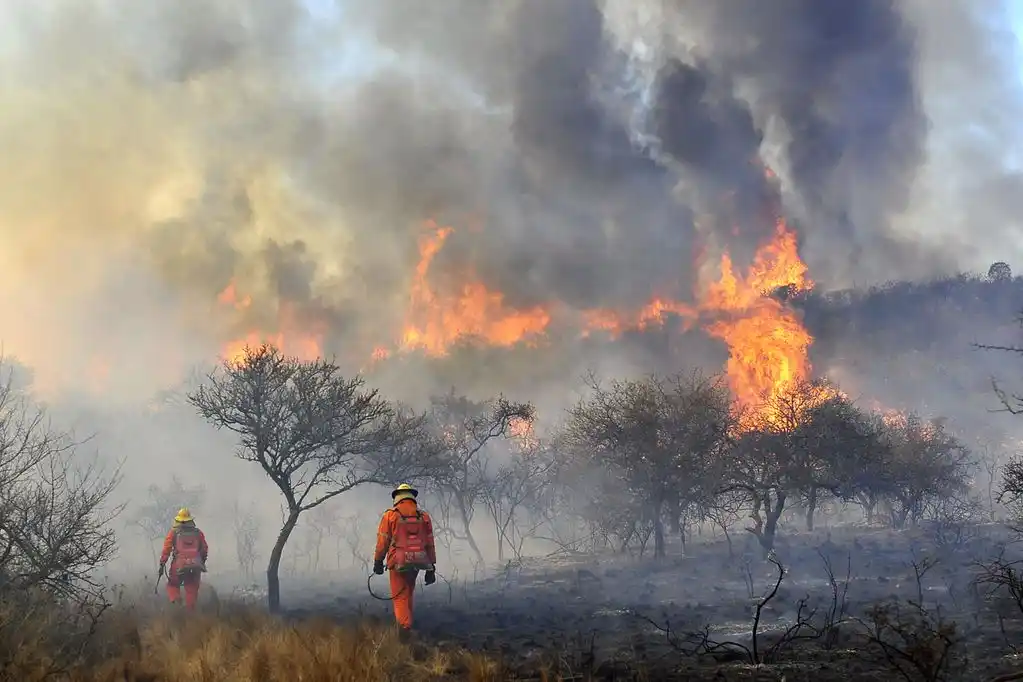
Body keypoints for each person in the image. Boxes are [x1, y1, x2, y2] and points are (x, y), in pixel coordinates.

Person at [373, 484, 437, 630]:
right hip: (419, 561)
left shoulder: (390, 515)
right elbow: (429, 542)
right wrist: (431, 566)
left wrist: (378, 561)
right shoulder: (424, 516)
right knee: (407, 592)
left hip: (398, 562)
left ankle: (404, 630)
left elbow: (383, 541)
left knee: (399, 596)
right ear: (412, 497)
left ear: (397, 497)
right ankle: (407, 623)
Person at [159, 507, 209, 610]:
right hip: (195, 565)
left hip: (178, 565)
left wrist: (162, 563)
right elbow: (204, 548)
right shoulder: (198, 533)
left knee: (172, 585)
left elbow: (166, 550)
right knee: (192, 588)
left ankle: (176, 602)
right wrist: (201, 561)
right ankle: (189, 613)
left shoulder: (173, 533)